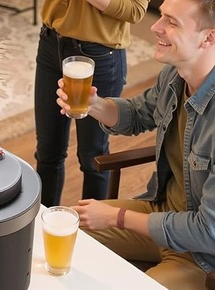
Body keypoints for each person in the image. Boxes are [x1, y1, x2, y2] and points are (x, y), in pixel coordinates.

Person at [57, 0, 215, 290]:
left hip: (212, 261)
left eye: (171, 22)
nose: (154, 27)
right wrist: (94, 105)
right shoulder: (177, 76)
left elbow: (210, 233)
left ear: (209, 38)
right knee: (60, 226)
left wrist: (117, 217)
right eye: (161, 15)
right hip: (163, 213)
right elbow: (138, 113)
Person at [34, 0, 149, 206]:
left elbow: (136, 11)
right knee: (47, 151)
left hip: (99, 54)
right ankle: (43, 225)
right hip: (51, 41)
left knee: (92, 157)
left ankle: (92, 234)